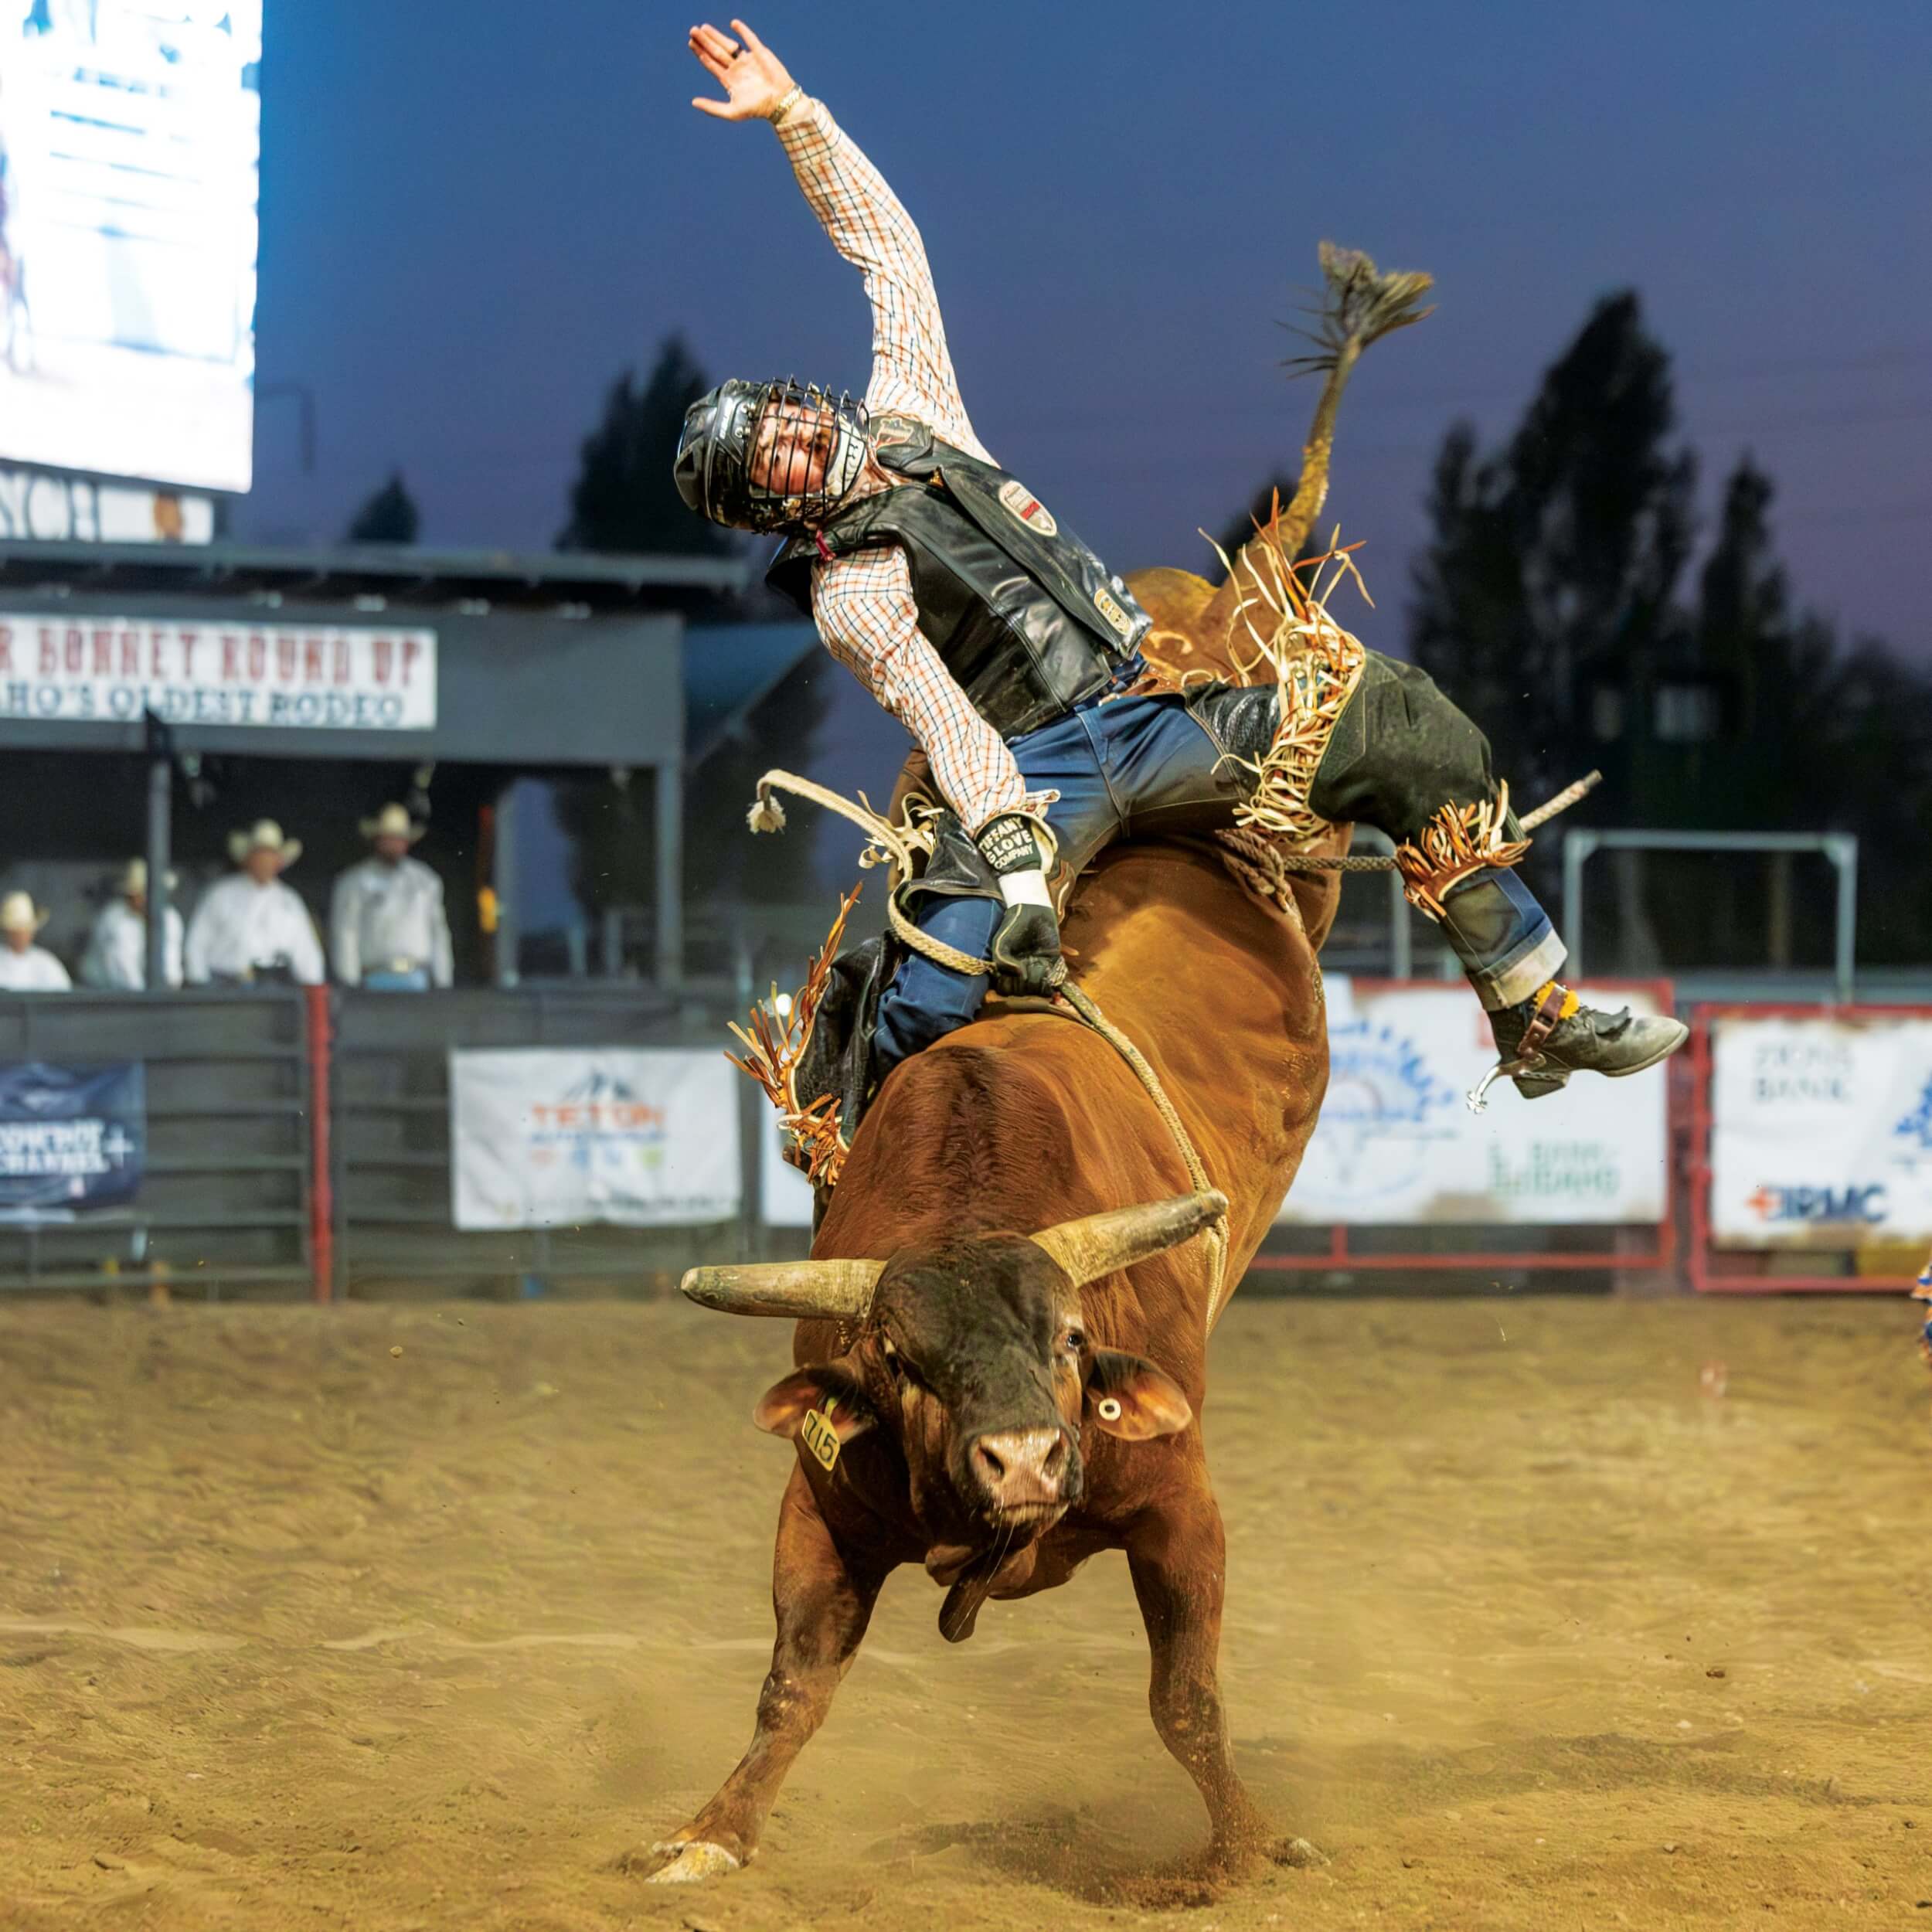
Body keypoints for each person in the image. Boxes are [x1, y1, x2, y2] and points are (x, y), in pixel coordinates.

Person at [673, 19, 1687, 1110]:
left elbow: (888, 250)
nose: (792, 438)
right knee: (927, 1001)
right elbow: (954, 733)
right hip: (1030, 773)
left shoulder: (914, 408)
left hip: (1160, 711)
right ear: (771, 507)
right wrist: (1021, 877)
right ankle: (860, 1177)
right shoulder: (851, 595)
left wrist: (794, 116)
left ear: (799, 400)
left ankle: (1534, 1013)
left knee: (1402, 727)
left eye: (778, 419)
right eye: (769, 459)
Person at [184, 820, 325, 986]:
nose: (265, 860)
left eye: (270, 855)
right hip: (225, 986)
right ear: (248, 858)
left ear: (279, 861)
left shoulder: (290, 901)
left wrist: (313, 985)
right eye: (260, 854)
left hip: (274, 987)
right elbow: (196, 944)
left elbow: (306, 952)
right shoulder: (221, 894)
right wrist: (201, 987)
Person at [329, 803, 453, 990]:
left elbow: (438, 931)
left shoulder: (426, 881)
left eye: (399, 838)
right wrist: (350, 983)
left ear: (407, 842)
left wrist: (443, 980)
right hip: (373, 978)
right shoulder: (354, 882)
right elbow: (346, 932)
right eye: (389, 838)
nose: (394, 844)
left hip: (417, 978)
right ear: (377, 839)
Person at [80, 859, 184, 990]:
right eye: (133, 894)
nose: (136, 899)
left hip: (140, 992)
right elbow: (122, 964)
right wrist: (145, 1001)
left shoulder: (170, 917)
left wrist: (169, 989)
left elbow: (171, 961)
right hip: (101, 988)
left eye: (140, 893)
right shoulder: (115, 917)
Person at [0, 890, 68, 990]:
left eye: (25, 929)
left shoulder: (47, 962)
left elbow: (63, 997)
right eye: (16, 930)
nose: (21, 935)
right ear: (7, 931)